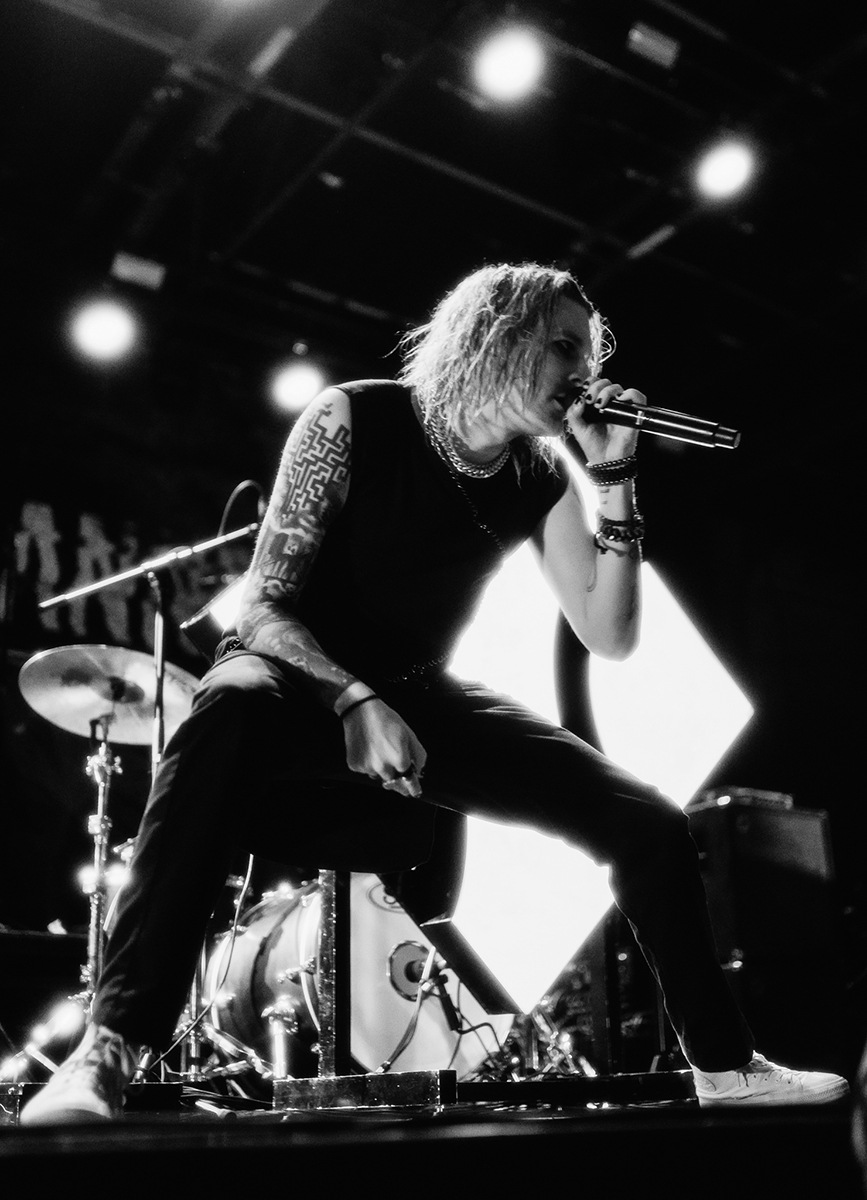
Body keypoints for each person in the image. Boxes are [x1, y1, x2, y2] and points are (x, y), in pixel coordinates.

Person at [21, 262, 848, 1124]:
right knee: (223, 707)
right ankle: (106, 1051)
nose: (584, 373)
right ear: (495, 333)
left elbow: (611, 635)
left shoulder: (541, 476)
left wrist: (613, 481)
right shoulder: (355, 416)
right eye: (564, 346)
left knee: (648, 823)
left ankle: (724, 1067)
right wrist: (351, 699)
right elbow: (261, 606)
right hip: (290, 671)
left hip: (417, 691)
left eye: (590, 354)